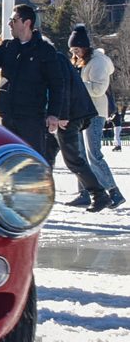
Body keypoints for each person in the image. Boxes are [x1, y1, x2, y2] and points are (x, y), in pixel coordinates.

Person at [0, 4, 65, 160]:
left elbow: (57, 84)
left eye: (13, 20)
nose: (9, 24)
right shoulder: (7, 47)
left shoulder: (45, 50)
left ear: (27, 23)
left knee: (32, 162)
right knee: (8, 163)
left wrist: (53, 114)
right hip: (6, 117)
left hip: (32, 118)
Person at [68, 25, 124, 210]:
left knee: (94, 155)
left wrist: (78, 83)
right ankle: (85, 192)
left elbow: (98, 89)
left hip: (95, 113)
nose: (75, 53)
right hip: (80, 112)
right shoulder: (79, 61)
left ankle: (114, 191)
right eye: (72, 50)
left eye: (77, 49)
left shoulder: (98, 62)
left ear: (85, 47)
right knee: (80, 155)